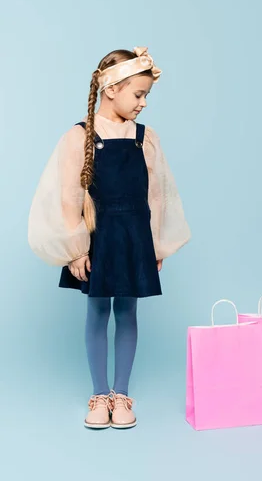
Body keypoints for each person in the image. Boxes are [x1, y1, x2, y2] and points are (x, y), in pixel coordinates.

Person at [28, 47, 190, 429]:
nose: (144, 103)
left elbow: (158, 193)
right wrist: (75, 248)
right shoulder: (80, 137)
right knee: (99, 311)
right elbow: (67, 194)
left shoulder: (145, 138)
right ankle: (99, 394)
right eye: (138, 94)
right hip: (100, 237)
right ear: (112, 89)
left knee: (129, 311)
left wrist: (157, 243)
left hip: (134, 235)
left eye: (147, 95)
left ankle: (122, 393)